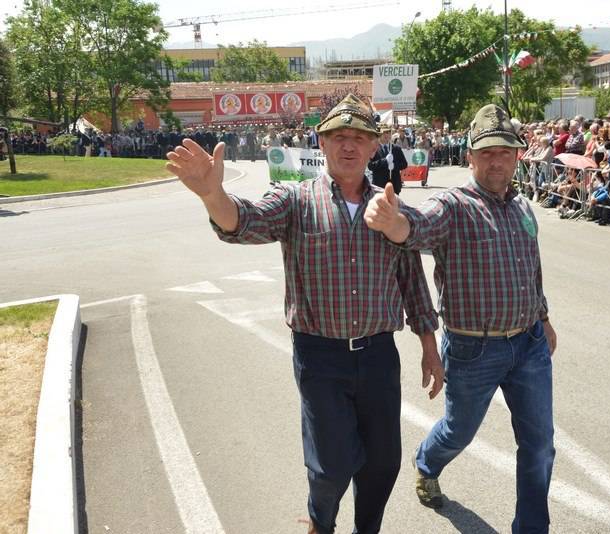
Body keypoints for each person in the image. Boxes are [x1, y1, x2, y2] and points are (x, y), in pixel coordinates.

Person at [165, 94, 444, 534]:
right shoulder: (295, 199)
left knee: (383, 464)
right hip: (320, 358)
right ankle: (321, 521)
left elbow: (412, 281)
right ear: (321, 142)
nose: (348, 146)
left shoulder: (389, 208)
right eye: (338, 137)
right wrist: (212, 194)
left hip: (377, 356)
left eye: (359, 138)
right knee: (331, 465)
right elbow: (245, 221)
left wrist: (430, 347)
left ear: (374, 147)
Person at [364, 103, 557, 534]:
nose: (496, 160)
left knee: (540, 446)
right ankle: (427, 462)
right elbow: (417, 226)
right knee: (458, 431)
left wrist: (542, 317)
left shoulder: (522, 207)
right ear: (470, 156)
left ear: (517, 156)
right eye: (486, 152)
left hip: (529, 345)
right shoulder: (453, 205)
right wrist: (394, 221)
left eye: (504, 152)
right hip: (473, 349)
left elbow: (532, 267)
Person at [369, 125, 408, 194]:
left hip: (394, 184)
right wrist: (385, 161)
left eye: (389, 133)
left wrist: (394, 166)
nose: (387, 135)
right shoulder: (374, 148)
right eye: (384, 133)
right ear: (380, 134)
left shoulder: (396, 148)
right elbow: (371, 166)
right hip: (379, 184)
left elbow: (404, 164)